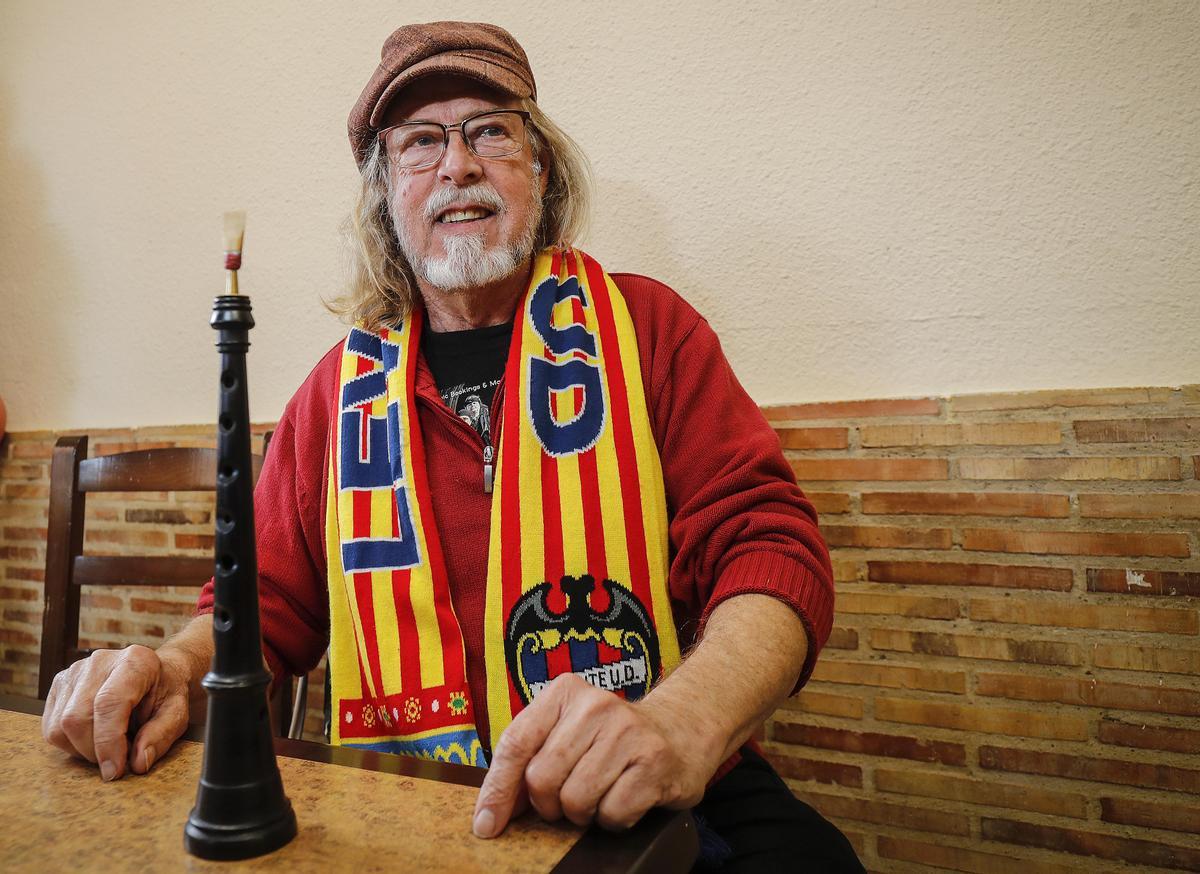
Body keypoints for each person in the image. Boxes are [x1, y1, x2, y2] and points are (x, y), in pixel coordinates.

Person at [42, 21, 862, 871]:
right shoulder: (334, 393)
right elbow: (264, 609)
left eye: (490, 132)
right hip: (403, 790)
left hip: (643, 785)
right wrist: (174, 668)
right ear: (385, 196)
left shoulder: (647, 329)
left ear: (540, 170)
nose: (457, 164)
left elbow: (770, 547)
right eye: (420, 143)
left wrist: (686, 719)